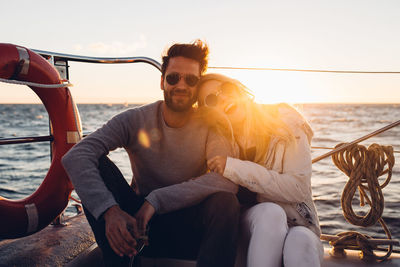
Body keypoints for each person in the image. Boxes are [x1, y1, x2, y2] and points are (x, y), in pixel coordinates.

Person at [62, 41, 240, 267]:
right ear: (162, 81)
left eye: (191, 79)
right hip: (138, 226)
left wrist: (155, 201)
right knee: (95, 161)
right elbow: (76, 156)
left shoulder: (211, 124)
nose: (181, 85)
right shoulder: (136, 119)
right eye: (173, 78)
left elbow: (227, 182)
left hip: (187, 230)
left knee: (225, 202)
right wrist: (110, 211)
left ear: (198, 85)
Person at [197, 73, 324, 267]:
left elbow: (299, 188)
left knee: (299, 241)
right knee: (270, 213)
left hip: (299, 223)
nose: (223, 98)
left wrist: (234, 167)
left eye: (226, 89)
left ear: (238, 89)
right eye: (212, 99)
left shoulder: (285, 120)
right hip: (254, 225)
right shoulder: (216, 140)